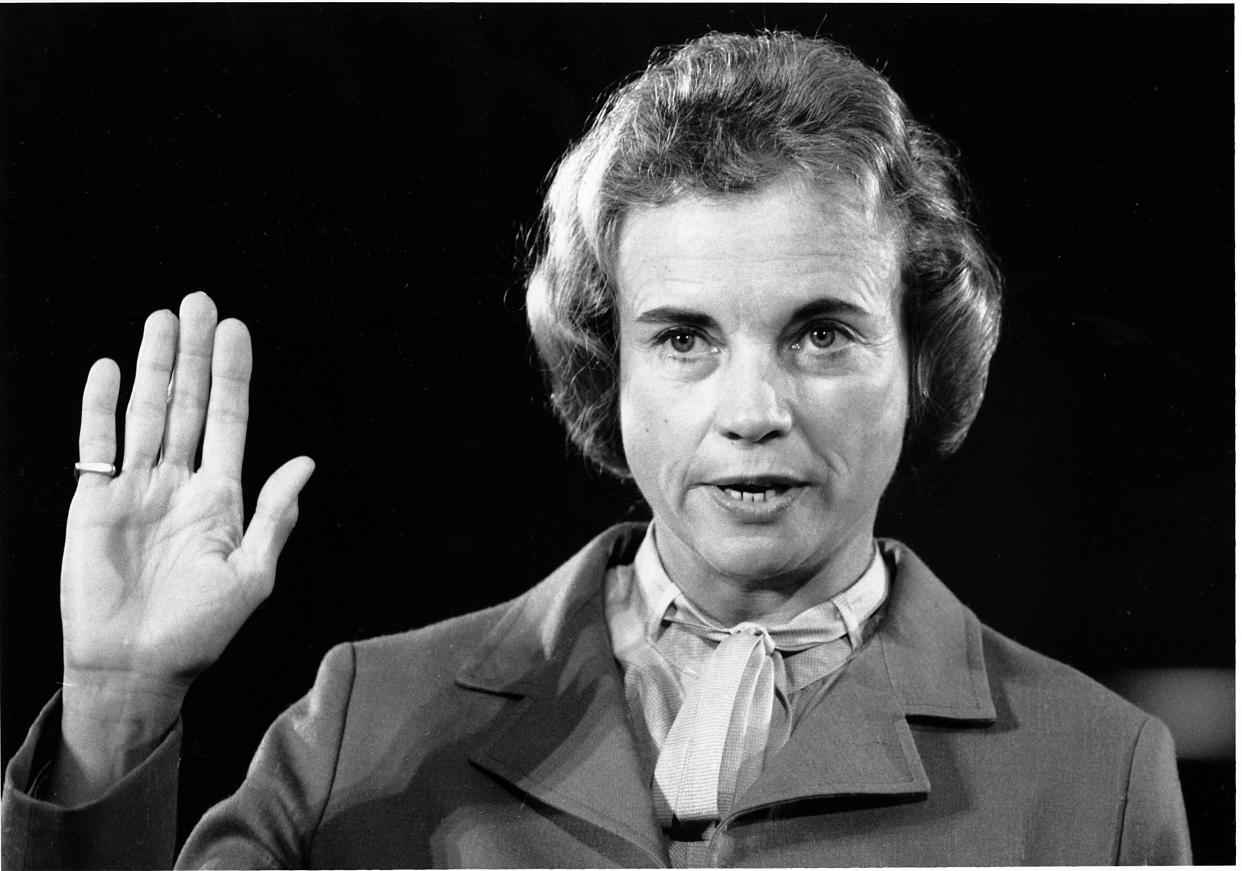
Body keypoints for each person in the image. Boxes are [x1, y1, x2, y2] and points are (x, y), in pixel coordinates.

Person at [2, 30, 1190, 868]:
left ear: (922, 360)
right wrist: (116, 705)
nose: (752, 407)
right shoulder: (370, 716)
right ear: (602, 367)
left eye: (821, 333)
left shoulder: (1101, 774)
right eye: (683, 339)